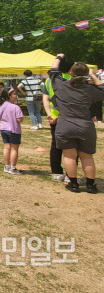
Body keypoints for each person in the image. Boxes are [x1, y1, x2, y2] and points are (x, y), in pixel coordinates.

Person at [49, 54, 104, 193]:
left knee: (69, 155)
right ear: (86, 74)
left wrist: (59, 57)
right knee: (87, 156)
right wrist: (93, 75)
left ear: (70, 73)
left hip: (66, 123)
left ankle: (73, 184)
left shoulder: (61, 86)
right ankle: (91, 185)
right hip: (85, 124)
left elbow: (53, 71)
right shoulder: (91, 90)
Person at [42, 59, 72, 182]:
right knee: (71, 147)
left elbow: (45, 99)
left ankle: (56, 172)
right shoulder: (71, 79)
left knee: (55, 145)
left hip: (54, 118)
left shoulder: (49, 80)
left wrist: (49, 115)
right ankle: (70, 175)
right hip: (69, 118)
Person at [0, 87, 24, 174]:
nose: (16, 96)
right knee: (14, 149)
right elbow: (19, 119)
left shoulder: (1, 105)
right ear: (9, 95)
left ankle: (7, 166)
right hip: (13, 129)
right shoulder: (15, 107)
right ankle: (13, 168)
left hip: (3, 129)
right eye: (15, 94)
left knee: (7, 147)